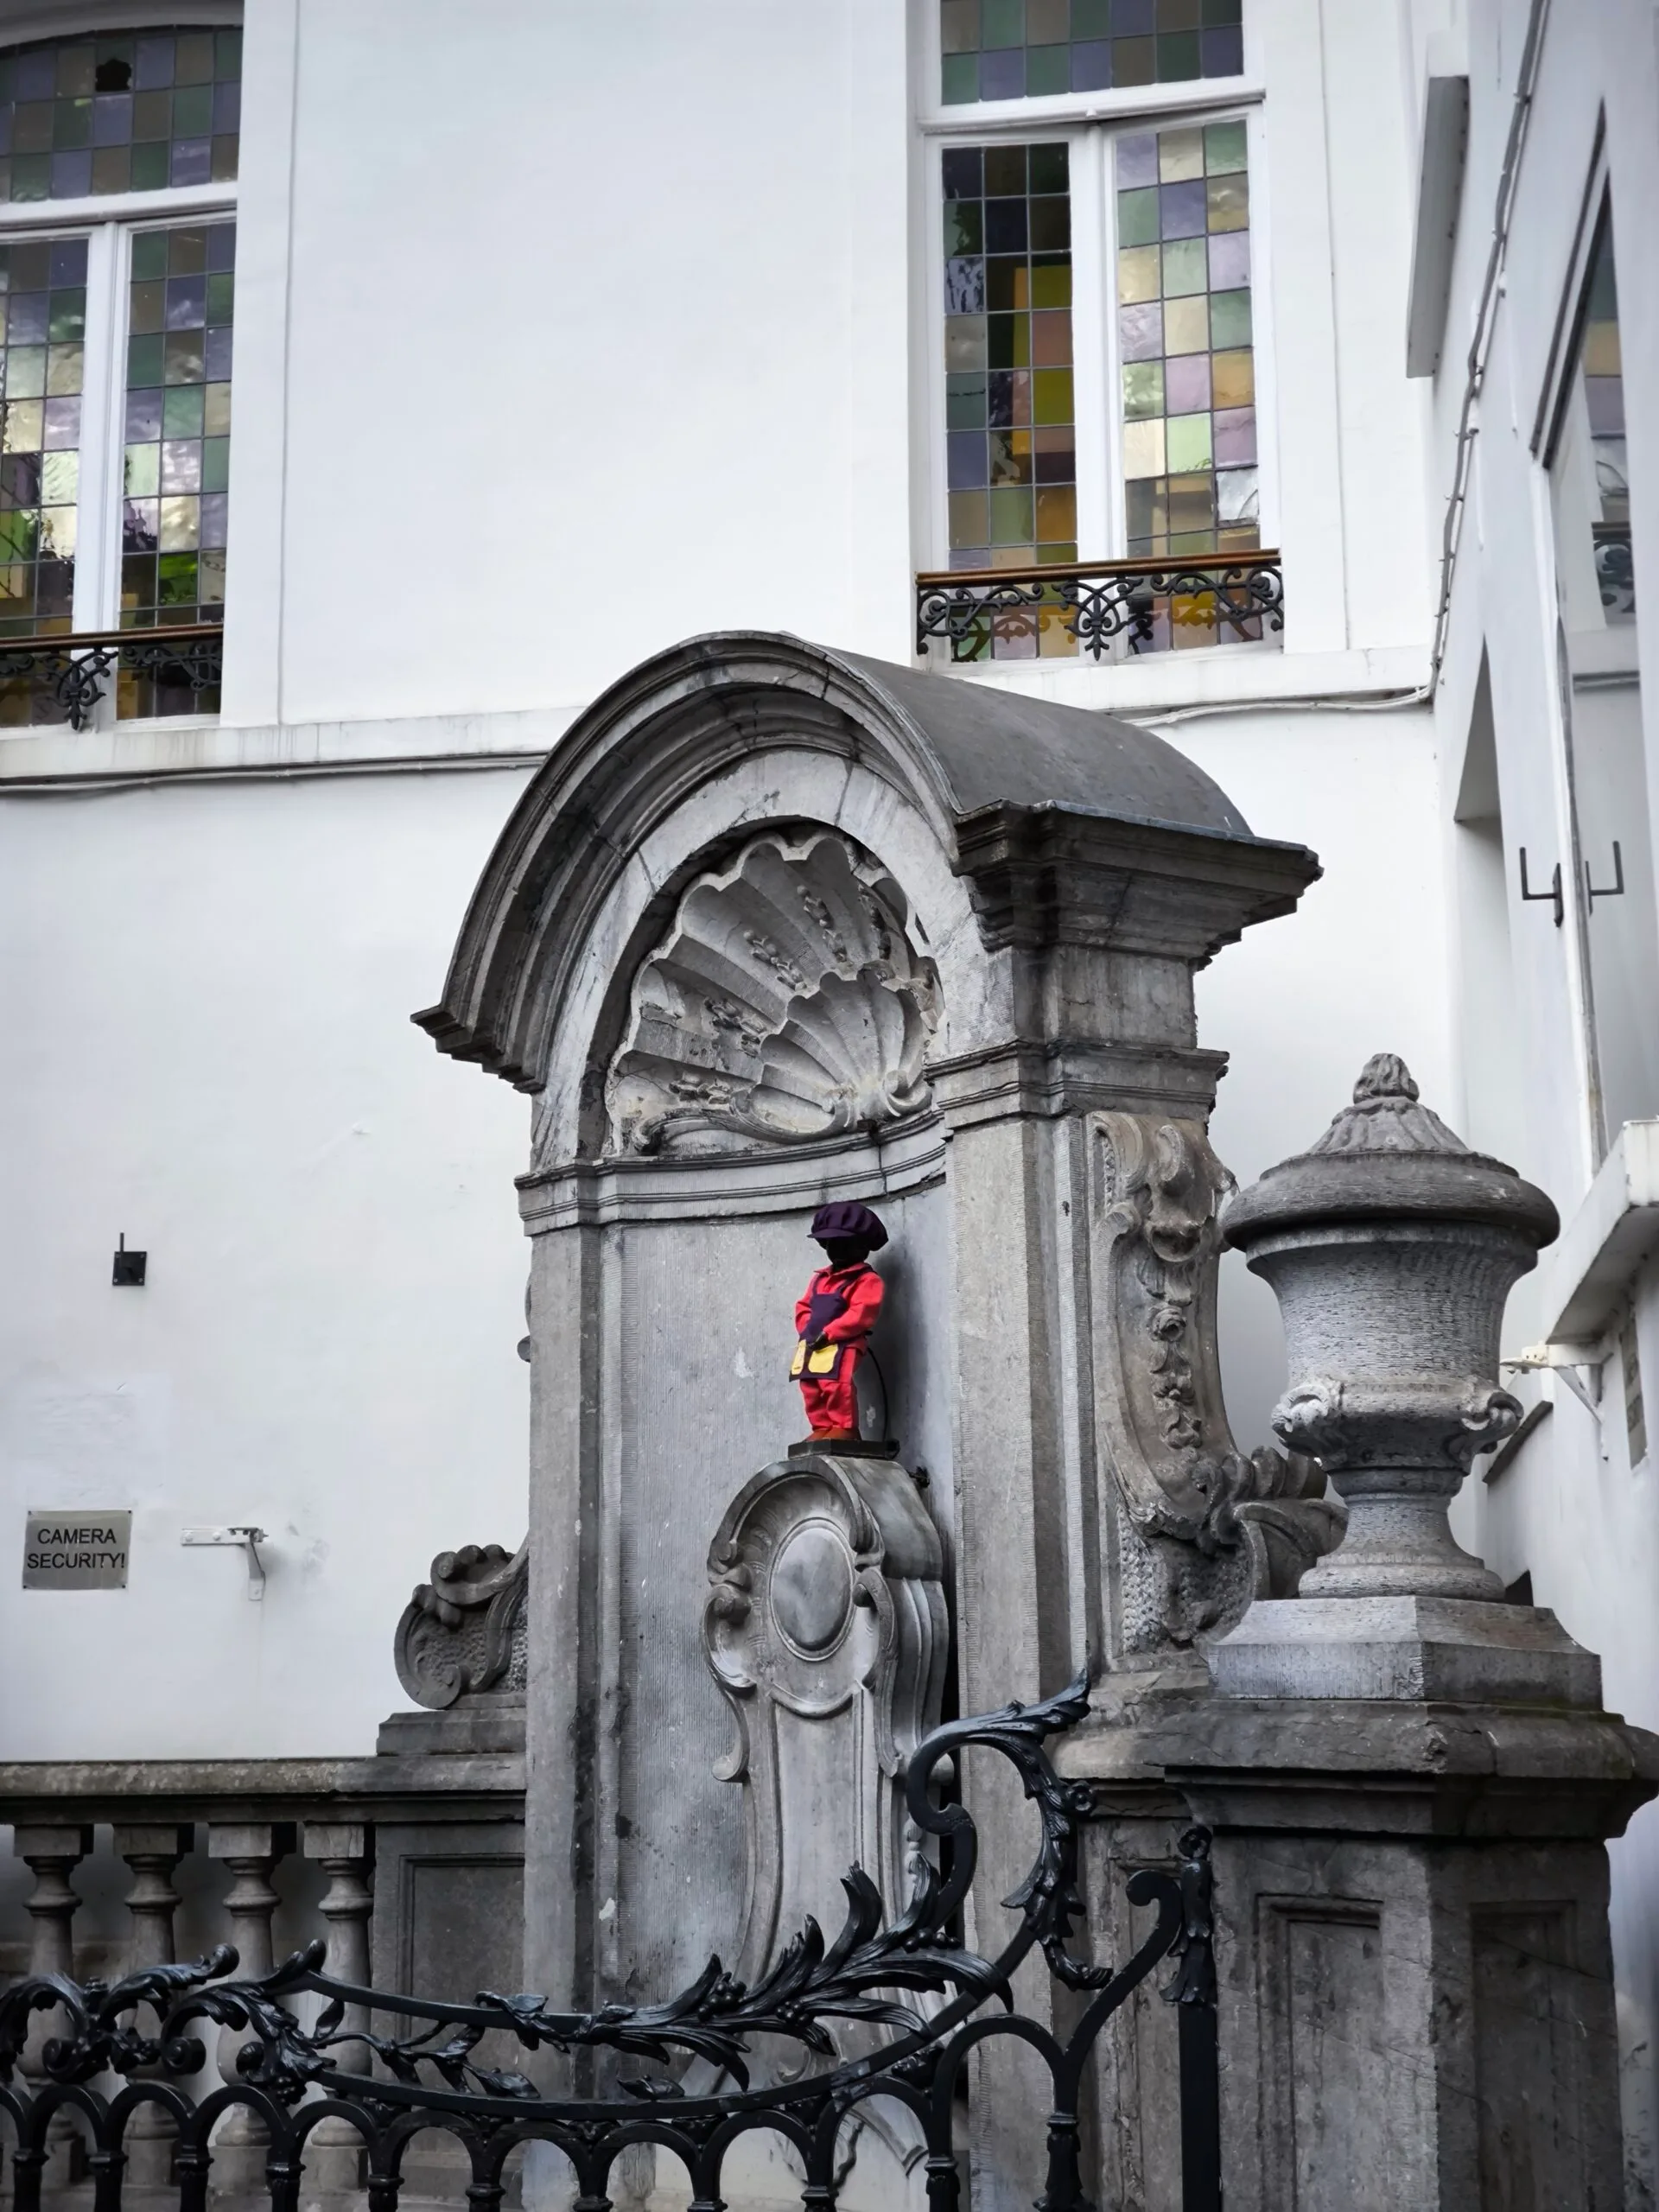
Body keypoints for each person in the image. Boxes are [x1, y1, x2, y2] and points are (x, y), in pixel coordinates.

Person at [791, 1202, 887, 1443]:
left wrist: (830, 1333)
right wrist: (807, 1329)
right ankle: (822, 1426)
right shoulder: (820, 1279)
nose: (837, 1250)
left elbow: (862, 1313)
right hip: (812, 1342)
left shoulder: (866, 1279)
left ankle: (844, 1427)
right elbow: (803, 1306)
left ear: (862, 1247)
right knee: (810, 1385)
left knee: (835, 1383)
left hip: (843, 1343)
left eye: (845, 1243)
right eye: (831, 1244)